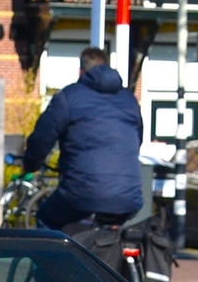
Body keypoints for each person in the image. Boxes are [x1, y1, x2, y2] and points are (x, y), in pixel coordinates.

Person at [24, 46, 144, 235]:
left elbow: (42, 139)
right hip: (129, 195)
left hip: (83, 192)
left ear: (80, 72)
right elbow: (138, 140)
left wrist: (30, 164)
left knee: (47, 218)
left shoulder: (68, 97)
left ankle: (54, 265)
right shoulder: (129, 100)